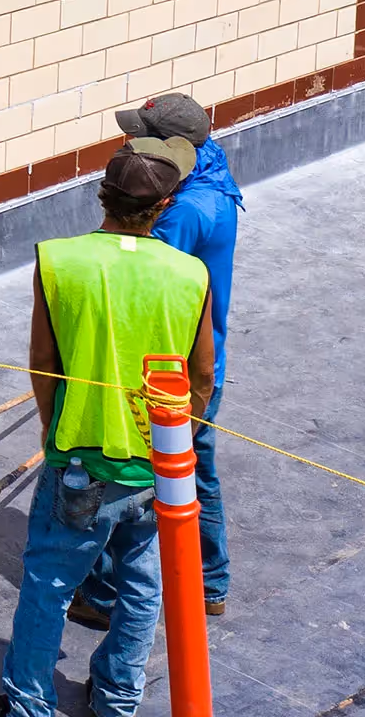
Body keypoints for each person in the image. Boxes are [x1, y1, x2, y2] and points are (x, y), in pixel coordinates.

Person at [0, 143, 214, 717]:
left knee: (49, 586)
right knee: (142, 588)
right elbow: (201, 374)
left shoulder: (58, 260)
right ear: (166, 205)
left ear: (102, 195)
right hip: (159, 468)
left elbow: (44, 363)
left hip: (80, 460)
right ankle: (117, 698)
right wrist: (174, 447)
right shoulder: (189, 273)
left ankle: (30, 704)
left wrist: (55, 434)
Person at [77, 93, 241, 627]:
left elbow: (140, 283)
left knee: (119, 473)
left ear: (174, 149)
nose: (130, 142)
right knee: (196, 473)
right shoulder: (210, 180)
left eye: (141, 135)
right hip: (194, 359)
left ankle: (103, 596)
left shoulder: (183, 212)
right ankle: (209, 582)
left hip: (164, 367)